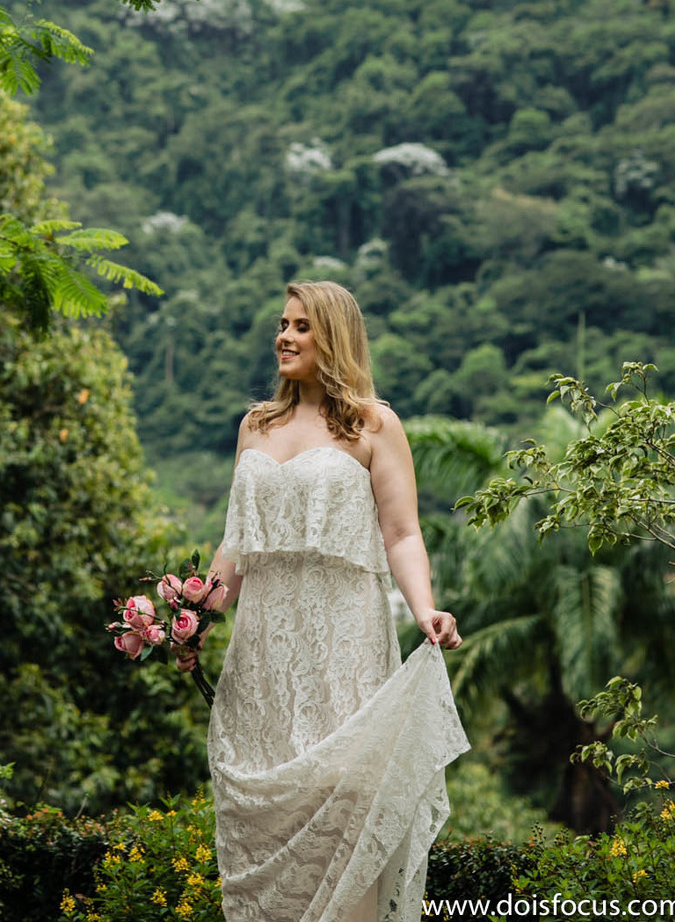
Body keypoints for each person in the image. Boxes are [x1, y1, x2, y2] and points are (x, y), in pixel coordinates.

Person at [193, 280, 471, 922]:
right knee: (266, 815)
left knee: (344, 798)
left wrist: (425, 609)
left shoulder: (374, 424)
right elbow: (236, 545)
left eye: (301, 326)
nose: (284, 337)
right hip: (263, 649)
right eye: (282, 325)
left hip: (342, 640)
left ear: (335, 336)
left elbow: (402, 533)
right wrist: (194, 621)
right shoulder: (255, 426)